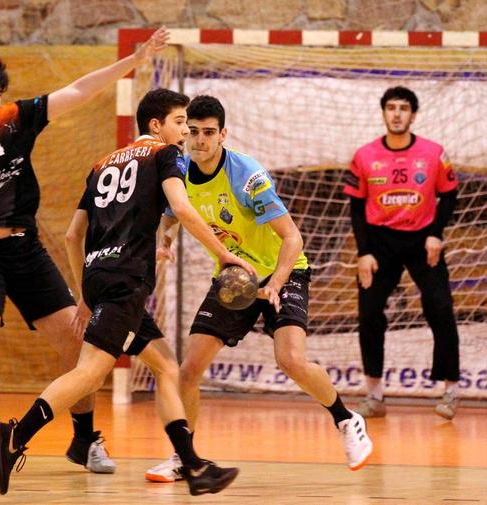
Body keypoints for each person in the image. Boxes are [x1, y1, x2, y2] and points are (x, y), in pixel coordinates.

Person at [0, 28, 172, 474]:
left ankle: (84, 441)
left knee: (75, 336)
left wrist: (134, 60)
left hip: (24, 249)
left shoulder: (16, 119)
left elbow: (80, 89)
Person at [0, 88, 251, 496]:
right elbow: (181, 209)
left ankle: (193, 465)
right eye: (180, 123)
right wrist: (226, 256)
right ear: (156, 125)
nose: (185, 132)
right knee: (90, 371)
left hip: (99, 274)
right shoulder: (166, 155)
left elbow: (74, 235)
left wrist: (85, 293)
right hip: (126, 280)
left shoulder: (100, 165)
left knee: (166, 367)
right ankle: (14, 435)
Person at [145, 95, 373, 483]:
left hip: (283, 271)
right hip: (235, 276)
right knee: (189, 368)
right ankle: (184, 457)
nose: (199, 140)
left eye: (208, 133)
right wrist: (164, 240)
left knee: (290, 360)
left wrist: (277, 283)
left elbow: (293, 237)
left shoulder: (246, 175)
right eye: (193, 132)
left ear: (223, 134)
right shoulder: (177, 170)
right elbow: (169, 217)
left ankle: (347, 420)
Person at [343, 86, 460, 420]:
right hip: (379, 242)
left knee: (440, 306)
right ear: (383, 113)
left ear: (413, 114)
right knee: (369, 313)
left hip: (423, 240)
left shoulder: (434, 152)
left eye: (403, 108)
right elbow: (355, 206)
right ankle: (375, 395)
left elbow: (449, 194)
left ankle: (451, 391)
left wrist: (436, 234)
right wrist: (363, 251)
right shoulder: (364, 156)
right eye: (391, 107)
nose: (396, 113)